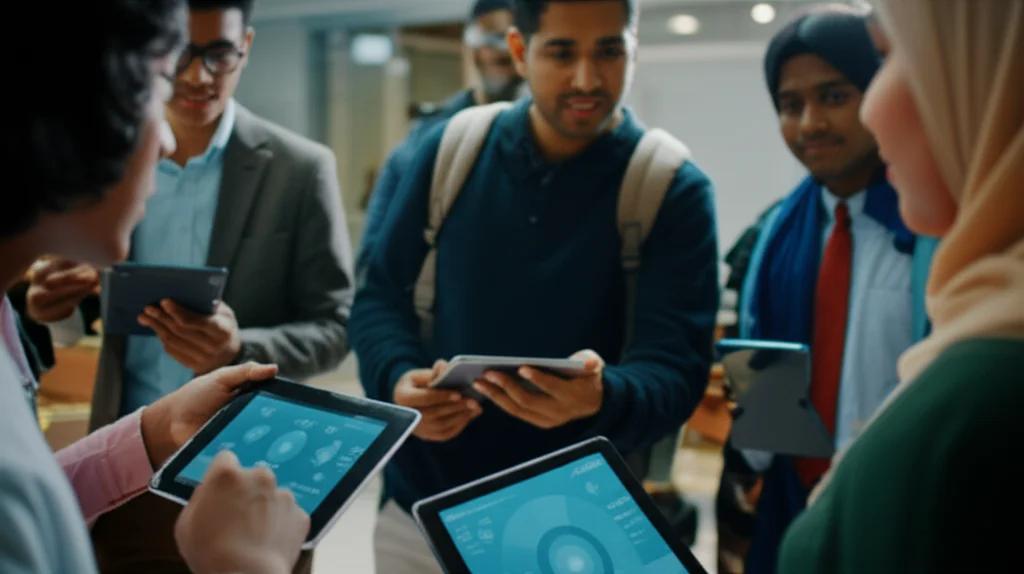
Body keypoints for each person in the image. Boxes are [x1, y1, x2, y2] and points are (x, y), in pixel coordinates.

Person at [351, 0, 719, 570]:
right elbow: (380, 297)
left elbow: (676, 369)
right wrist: (398, 378)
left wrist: (602, 397)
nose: (587, 79)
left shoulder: (671, 187)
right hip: (423, 507)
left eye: (609, 51)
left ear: (635, 46)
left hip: (578, 519)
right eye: (562, 52)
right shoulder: (450, 149)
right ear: (520, 51)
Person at [24, 0, 353, 571]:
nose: (197, 76)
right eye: (179, 54)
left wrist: (239, 350)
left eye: (219, 54)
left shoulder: (302, 169)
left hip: (254, 467)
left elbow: (335, 326)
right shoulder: (115, 161)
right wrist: (60, 310)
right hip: (127, 470)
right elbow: (88, 315)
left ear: (246, 46)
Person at [779, 0, 1023, 570]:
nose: (870, 112)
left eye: (890, 58)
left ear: (989, 76)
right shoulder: (777, 237)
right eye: (790, 105)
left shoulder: (981, 398)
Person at [715, 6, 938, 573]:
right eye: (791, 106)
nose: (810, 123)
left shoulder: (937, 228)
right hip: (793, 515)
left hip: (908, 516)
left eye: (835, 96)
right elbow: (760, 422)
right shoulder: (766, 240)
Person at [356, 0, 525, 281]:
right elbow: (375, 267)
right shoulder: (427, 139)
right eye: (490, 35)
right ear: (470, 45)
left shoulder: (563, 138)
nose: (501, 49)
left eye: (514, 36)